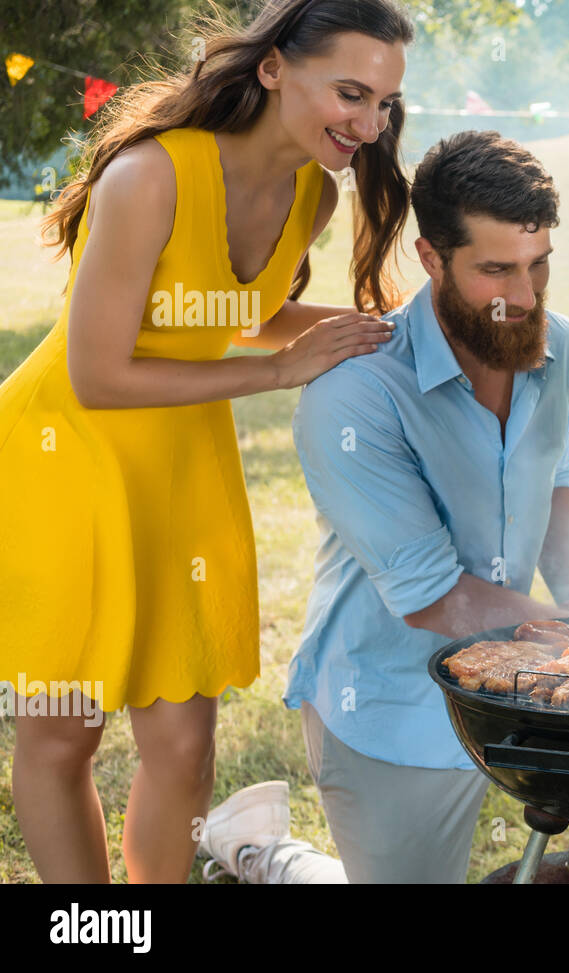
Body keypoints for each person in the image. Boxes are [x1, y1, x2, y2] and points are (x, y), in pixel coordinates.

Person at [197, 130, 569, 884]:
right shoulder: (352, 393)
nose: (523, 297)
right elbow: (432, 597)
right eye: (495, 270)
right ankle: (270, 854)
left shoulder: (558, 345)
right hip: (392, 701)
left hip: (529, 673)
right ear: (432, 259)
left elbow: (553, 466)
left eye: (538, 264)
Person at [0, 0, 413, 883]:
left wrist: (384, 329)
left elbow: (238, 312)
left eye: (383, 103)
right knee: (62, 733)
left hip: (180, 461)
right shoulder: (150, 177)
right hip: (66, 456)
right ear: (273, 69)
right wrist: (277, 371)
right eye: (350, 92)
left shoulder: (312, 190)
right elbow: (98, 374)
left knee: (185, 746)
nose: (370, 123)